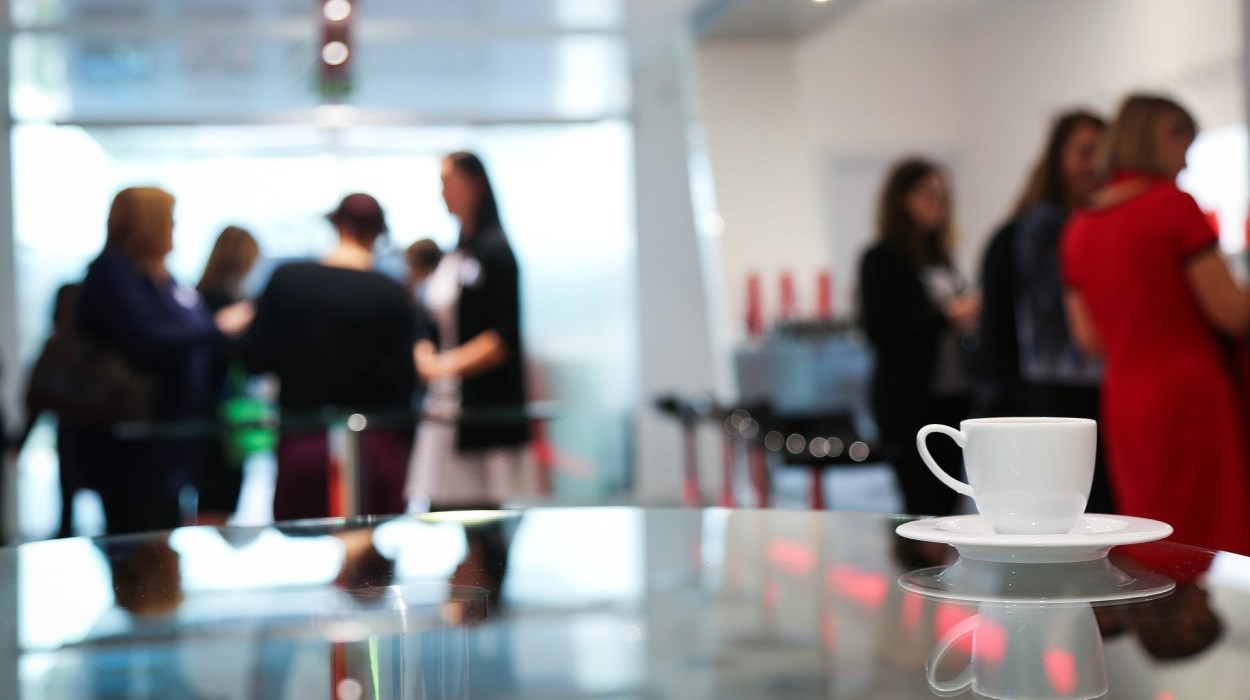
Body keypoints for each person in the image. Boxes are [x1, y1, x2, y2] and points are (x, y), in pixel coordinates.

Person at [1061, 94, 1250, 555]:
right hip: (1191, 397)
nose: (1186, 160)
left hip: (1126, 400)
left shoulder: (1080, 228)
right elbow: (1232, 312)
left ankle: (1160, 628)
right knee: (1213, 542)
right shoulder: (1172, 207)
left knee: (1153, 543)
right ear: (1164, 136)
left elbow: (1088, 340)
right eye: (1186, 142)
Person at [76, 187, 252, 535]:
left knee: (161, 541)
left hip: (166, 437)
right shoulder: (114, 273)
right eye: (169, 221)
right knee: (137, 545)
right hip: (132, 442)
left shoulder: (157, 276)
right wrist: (218, 327)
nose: (173, 228)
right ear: (149, 223)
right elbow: (148, 339)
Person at [239, 193, 417, 521]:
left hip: (302, 443)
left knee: (302, 553)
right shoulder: (391, 292)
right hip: (374, 446)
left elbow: (255, 357)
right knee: (371, 560)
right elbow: (405, 378)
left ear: (338, 224)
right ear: (378, 232)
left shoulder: (288, 280)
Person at [974, 110, 1116, 514]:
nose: (1095, 164)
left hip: (1073, 396)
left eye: (1102, 153)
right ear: (1057, 158)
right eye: (1085, 152)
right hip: (1048, 402)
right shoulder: (1041, 228)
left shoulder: (1079, 224)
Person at [405, 151, 534, 513]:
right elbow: (428, 321)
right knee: (443, 511)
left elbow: (502, 337)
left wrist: (443, 366)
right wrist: (425, 353)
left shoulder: (495, 252)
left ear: (475, 184)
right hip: (445, 404)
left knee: (483, 521)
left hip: (482, 410)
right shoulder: (456, 253)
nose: (443, 194)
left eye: (448, 183)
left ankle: (481, 571)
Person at [858, 158, 979, 517]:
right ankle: (914, 570)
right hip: (908, 401)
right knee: (920, 504)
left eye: (942, 194)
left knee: (950, 502)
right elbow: (880, 330)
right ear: (901, 199)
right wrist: (946, 315)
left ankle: (942, 572)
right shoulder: (881, 259)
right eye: (928, 193)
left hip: (954, 395)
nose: (938, 203)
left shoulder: (940, 255)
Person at [194, 226, 261, 524]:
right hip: (217, 411)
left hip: (214, 408)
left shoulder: (201, 296)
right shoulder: (220, 300)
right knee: (216, 495)